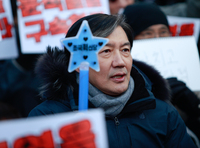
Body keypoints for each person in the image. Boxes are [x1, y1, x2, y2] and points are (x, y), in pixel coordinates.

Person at [28, 13, 196, 147]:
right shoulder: (46, 118)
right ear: (79, 63)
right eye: (106, 51)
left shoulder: (163, 113)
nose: (120, 62)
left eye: (125, 50)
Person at [123, 2, 200, 144]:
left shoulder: (193, 66)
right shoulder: (122, 78)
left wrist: (195, 107)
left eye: (163, 31)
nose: (157, 38)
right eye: (147, 33)